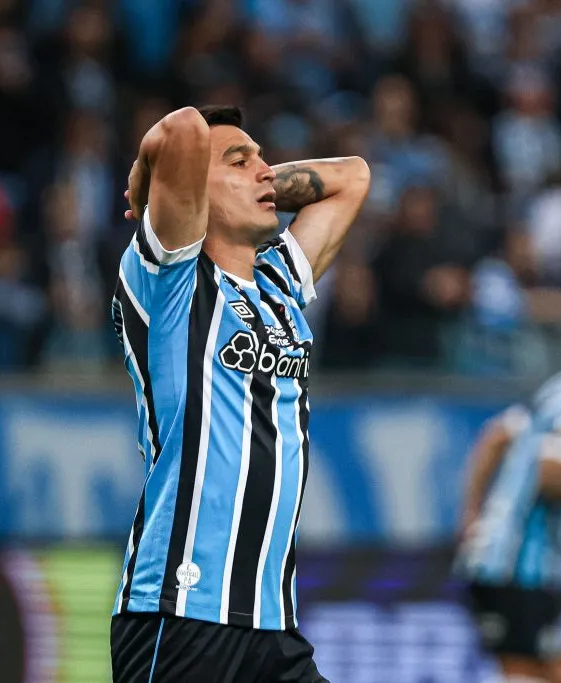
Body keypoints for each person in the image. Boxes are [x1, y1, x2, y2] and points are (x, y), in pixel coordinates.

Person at [108, 105, 370, 683]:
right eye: (240, 160)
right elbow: (182, 131)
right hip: (180, 614)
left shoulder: (277, 284)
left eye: (264, 159)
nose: (265, 171)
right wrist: (145, 174)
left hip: (272, 623)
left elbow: (353, 176)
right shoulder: (169, 279)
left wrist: (256, 178)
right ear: (189, 191)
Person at [456, 329, 561, 683]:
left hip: (505, 558)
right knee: (531, 672)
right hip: (519, 565)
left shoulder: (559, 391)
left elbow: (496, 436)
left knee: (546, 672)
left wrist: (473, 511)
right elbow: (552, 473)